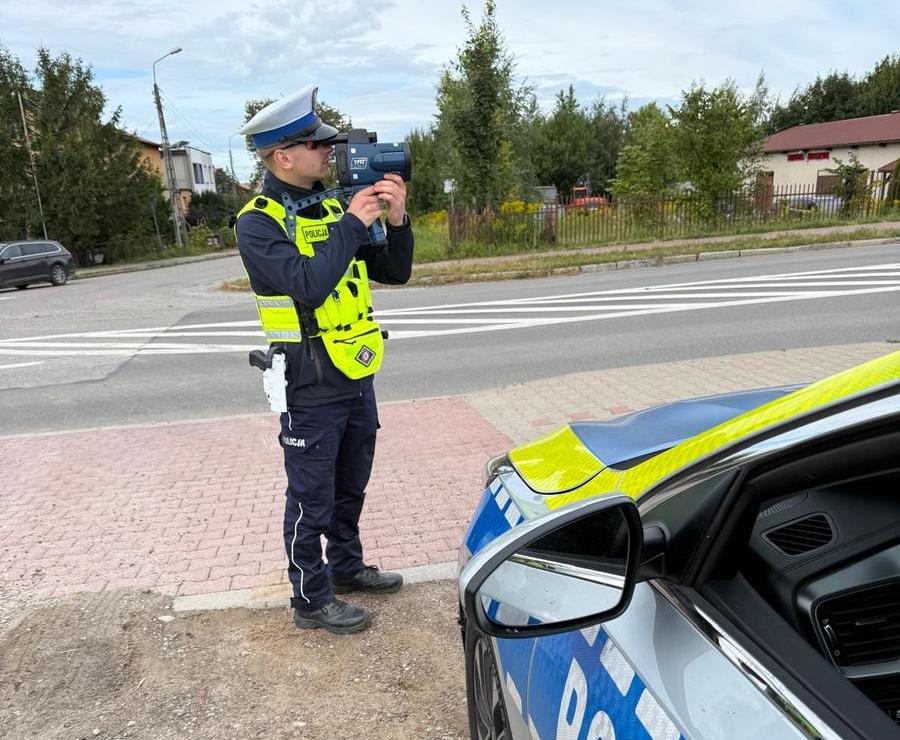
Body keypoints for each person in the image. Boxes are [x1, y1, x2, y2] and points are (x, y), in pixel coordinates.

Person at [234, 86, 414, 634]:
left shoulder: (337, 205)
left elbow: (393, 272)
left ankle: (347, 567)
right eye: (316, 143)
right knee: (310, 497)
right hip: (309, 381)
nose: (329, 152)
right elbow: (308, 286)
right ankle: (310, 600)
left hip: (357, 369)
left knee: (349, 485)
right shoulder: (258, 222)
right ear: (282, 156)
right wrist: (355, 225)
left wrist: (398, 222)